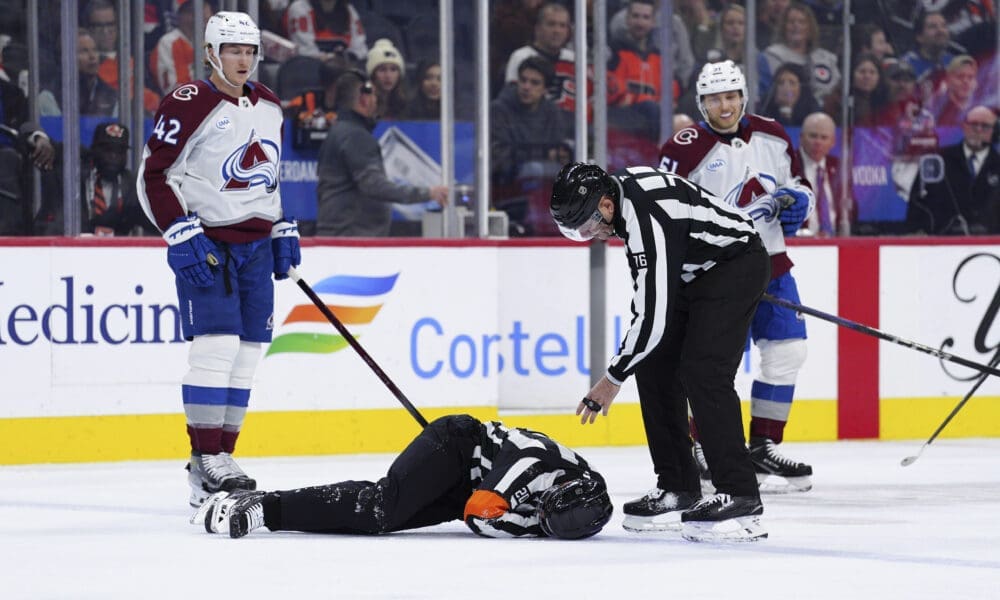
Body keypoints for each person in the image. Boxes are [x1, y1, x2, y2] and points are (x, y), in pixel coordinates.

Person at [549, 162, 769, 543]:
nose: (593, 235)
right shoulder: (622, 204)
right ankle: (678, 487)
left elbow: (652, 318)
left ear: (605, 204)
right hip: (695, 270)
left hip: (734, 264)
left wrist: (611, 379)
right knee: (653, 364)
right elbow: (651, 307)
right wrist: (629, 364)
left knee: (704, 373)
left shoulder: (646, 218)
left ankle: (740, 495)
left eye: (588, 226)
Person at [136, 11, 302, 507]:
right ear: (211, 52)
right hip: (208, 244)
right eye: (233, 50)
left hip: (254, 249)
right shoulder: (190, 102)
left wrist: (279, 225)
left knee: (248, 353)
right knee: (215, 349)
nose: (243, 60)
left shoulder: (270, 105)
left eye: (249, 51)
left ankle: (218, 461)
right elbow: (154, 174)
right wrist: (179, 233)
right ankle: (207, 458)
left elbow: (266, 177)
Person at [658, 61, 815, 494]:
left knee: (788, 351)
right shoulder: (684, 148)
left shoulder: (773, 135)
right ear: (700, 103)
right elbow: (665, 212)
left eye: (730, 96)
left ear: (743, 97)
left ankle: (763, 443)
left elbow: (800, 183)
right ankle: (705, 444)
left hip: (773, 265)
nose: (723, 106)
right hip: (717, 273)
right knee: (715, 365)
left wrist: (799, 201)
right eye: (713, 99)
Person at [191, 414, 614, 540]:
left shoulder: (583, 491)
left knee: (380, 517)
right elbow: (480, 514)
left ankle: (270, 507)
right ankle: (262, 507)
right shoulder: (534, 465)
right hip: (456, 448)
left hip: (473, 476)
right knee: (382, 504)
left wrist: (544, 523)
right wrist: (529, 525)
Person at [315, 70, 448, 236]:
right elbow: (374, 185)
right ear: (364, 100)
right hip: (352, 239)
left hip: (342, 235)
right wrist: (428, 193)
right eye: (374, 96)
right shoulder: (356, 136)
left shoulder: (339, 132)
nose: (376, 101)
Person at [907, 105, 1000, 235]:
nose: (978, 130)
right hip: (944, 243)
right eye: (973, 124)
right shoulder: (939, 160)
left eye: (985, 126)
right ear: (964, 126)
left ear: (995, 131)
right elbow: (917, 202)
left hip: (991, 245)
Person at [491, 56, 571, 188]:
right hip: (505, 184)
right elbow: (499, 155)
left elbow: (559, 148)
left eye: (534, 83)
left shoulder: (553, 113)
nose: (526, 87)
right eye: (523, 80)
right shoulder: (498, 111)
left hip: (547, 183)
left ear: (546, 89)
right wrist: (545, 154)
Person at [503, 3, 586, 117]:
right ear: (538, 28)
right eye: (551, 24)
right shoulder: (521, 56)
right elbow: (512, 100)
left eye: (562, 25)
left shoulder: (574, 59)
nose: (557, 30)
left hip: (572, 127)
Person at [757, 2, 841, 108]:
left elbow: (836, 91)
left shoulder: (826, 58)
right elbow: (766, 95)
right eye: (791, 22)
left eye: (802, 22)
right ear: (784, 26)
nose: (796, 26)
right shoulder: (770, 56)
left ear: (810, 27)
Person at [798, 112, 852, 236]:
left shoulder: (839, 167)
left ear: (832, 142)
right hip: (799, 243)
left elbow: (850, 209)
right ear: (801, 138)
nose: (818, 142)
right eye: (813, 136)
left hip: (835, 241)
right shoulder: (788, 165)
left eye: (824, 137)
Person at [150, 0, 215, 93]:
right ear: (185, 16)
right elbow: (177, 90)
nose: (208, 19)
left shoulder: (209, 42)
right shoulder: (169, 42)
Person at [284, 0, 367, 66]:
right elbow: (304, 50)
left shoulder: (349, 10)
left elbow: (360, 49)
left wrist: (347, 57)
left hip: (345, 69)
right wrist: (330, 59)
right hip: (311, 68)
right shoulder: (300, 8)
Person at [759, 62, 820, 127]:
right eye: (781, 82)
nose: (786, 88)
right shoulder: (764, 111)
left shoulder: (814, 115)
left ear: (802, 88)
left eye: (792, 83)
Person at [926, 55, 979, 127]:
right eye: (960, 76)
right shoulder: (934, 104)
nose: (966, 81)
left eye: (970, 77)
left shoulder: (982, 107)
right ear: (948, 80)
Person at [366, 38, 407, 120]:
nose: (388, 76)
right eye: (382, 70)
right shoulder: (364, 103)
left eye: (393, 70)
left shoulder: (406, 104)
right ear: (373, 74)